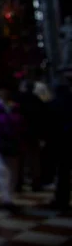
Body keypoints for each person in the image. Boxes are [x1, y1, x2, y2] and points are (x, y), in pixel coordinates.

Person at [47, 78, 72, 212]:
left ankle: (61, 200)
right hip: (67, 141)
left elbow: (47, 124)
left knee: (62, 173)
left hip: (58, 142)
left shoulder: (53, 104)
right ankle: (62, 198)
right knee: (64, 172)